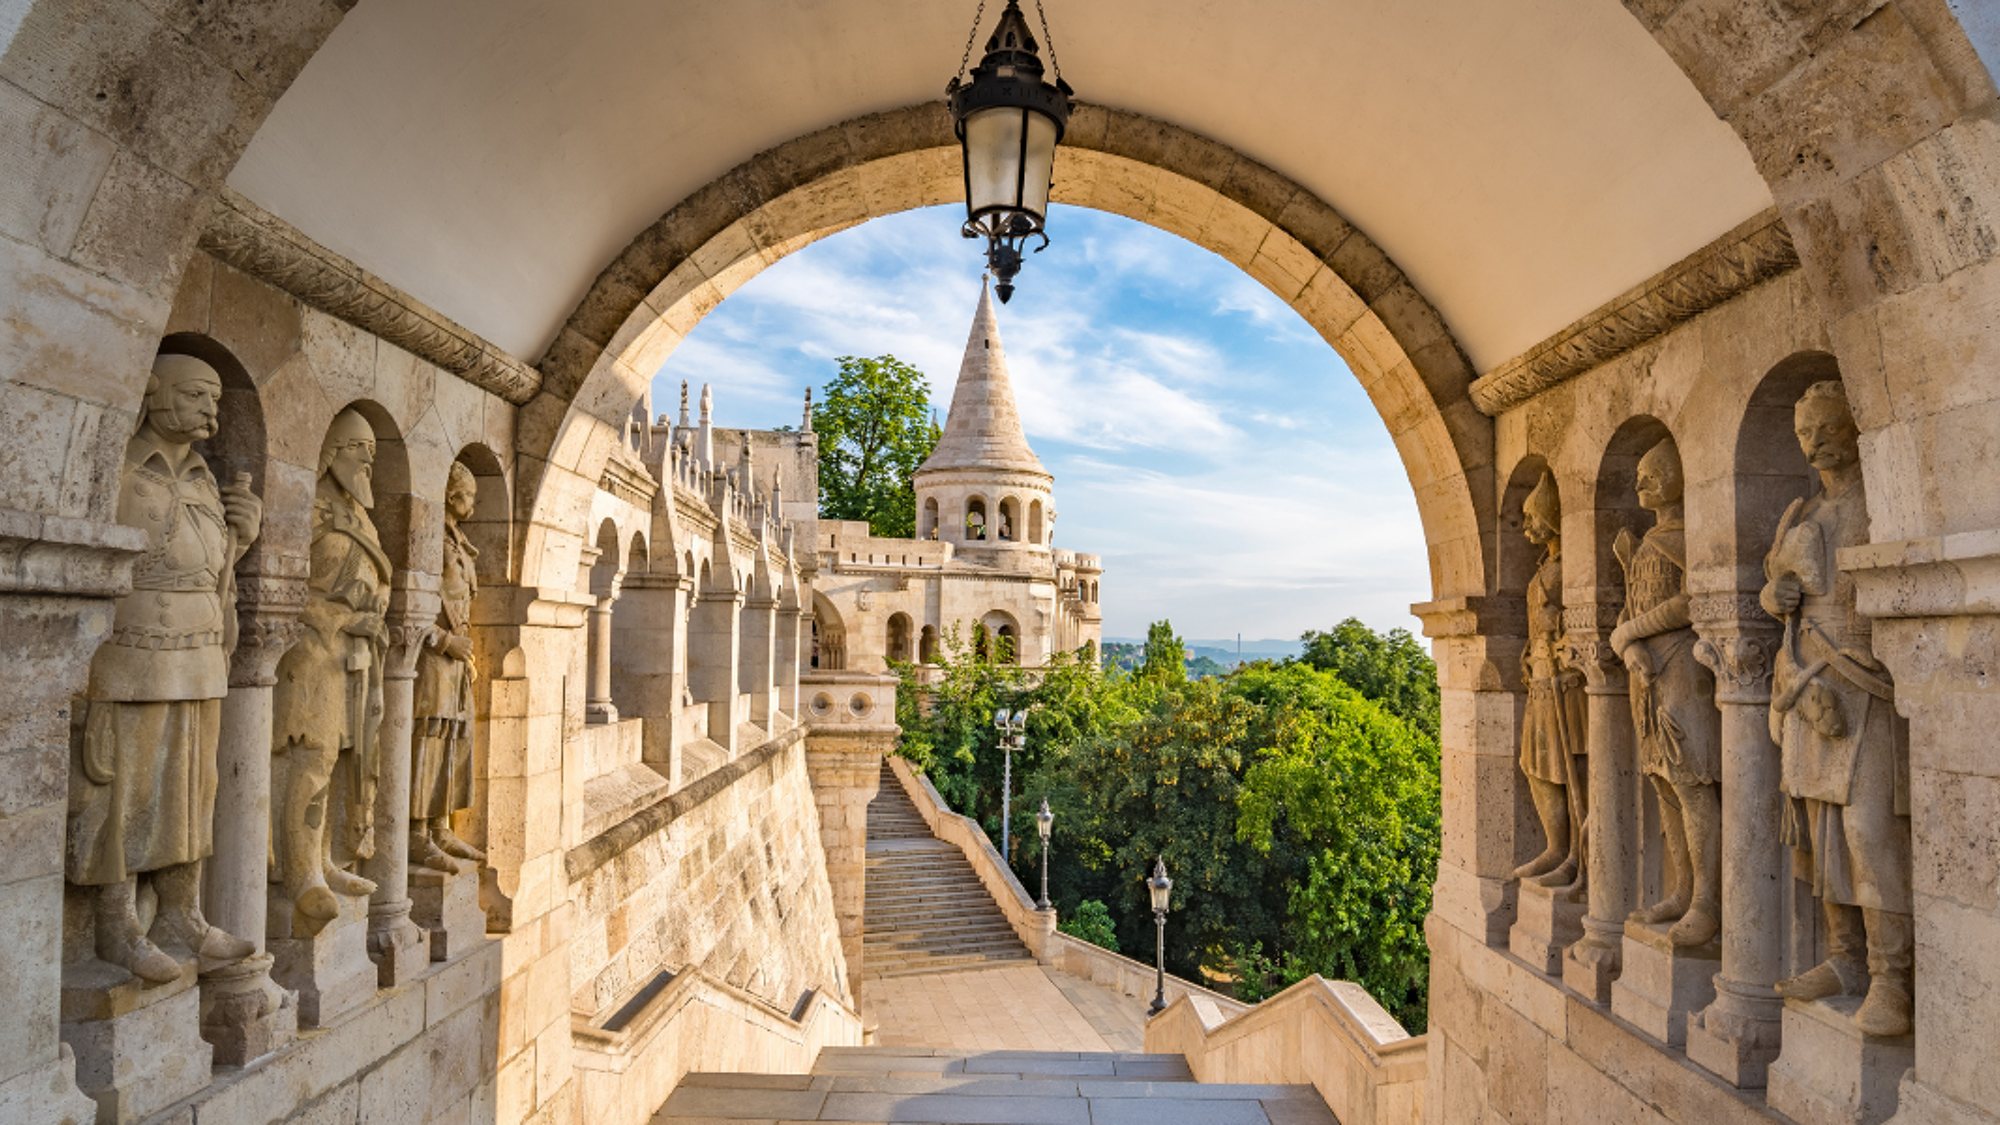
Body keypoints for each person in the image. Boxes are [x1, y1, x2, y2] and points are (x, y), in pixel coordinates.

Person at [69, 353, 260, 983]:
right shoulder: (119, 465)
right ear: (153, 395)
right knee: (124, 789)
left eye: (214, 398)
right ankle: (119, 927)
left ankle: (182, 915)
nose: (211, 409)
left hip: (200, 653)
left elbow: (208, 566)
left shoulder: (206, 480)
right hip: (134, 654)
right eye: (197, 395)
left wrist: (243, 540)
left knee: (191, 791)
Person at [1763, 380, 1912, 1036]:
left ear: (1854, 425)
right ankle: (1845, 958)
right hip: (1808, 682)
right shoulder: (1802, 509)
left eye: (1825, 427)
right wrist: (1778, 597)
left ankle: (1893, 977)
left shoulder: (1878, 502)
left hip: (1865, 680)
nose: (1814, 442)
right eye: (1803, 433)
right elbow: (1775, 593)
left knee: (1868, 833)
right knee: (1821, 834)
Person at [273, 408, 389, 928]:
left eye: (371, 450)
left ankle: (323, 860)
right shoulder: (309, 510)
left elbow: (377, 579)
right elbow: (282, 591)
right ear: (329, 452)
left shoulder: (360, 515)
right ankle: (299, 874)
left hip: (354, 657)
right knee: (312, 760)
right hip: (313, 654)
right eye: (356, 448)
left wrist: (371, 617)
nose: (368, 458)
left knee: (340, 761)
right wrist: (342, 621)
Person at [1611, 439, 1722, 947]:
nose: (1642, 484)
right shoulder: (1644, 543)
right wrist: (1629, 646)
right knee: (1663, 784)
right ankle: (1682, 890)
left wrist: (1631, 633)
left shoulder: (1684, 537)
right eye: (1640, 475)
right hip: (1647, 678)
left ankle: (1708, 902)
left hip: (1683, 670)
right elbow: (1628, 611)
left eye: (1654, 473)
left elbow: (1692, 600)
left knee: (1692, 781)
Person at [1513, 473, 1587, 890]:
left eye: (1531, 517)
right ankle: (1555, 846)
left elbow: (1593, 616)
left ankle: (1577, 854)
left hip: (1568, 683)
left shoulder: (1573, 564)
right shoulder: (1546, 566)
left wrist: (1558, 623)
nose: (1526, 528)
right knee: (1536, 766)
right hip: (1540, 678)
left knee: (1572, 768)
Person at [410, 463, 486, 871]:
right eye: (468, 493)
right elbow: (408, 605)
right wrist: (444, 641)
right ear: (451, 495)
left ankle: (441, 827)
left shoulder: (459, 542)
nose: (472, 502)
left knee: (454, 739)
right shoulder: (431, 538)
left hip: (457, 659)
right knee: (428, 738)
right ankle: (416, 835)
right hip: (432, 657)